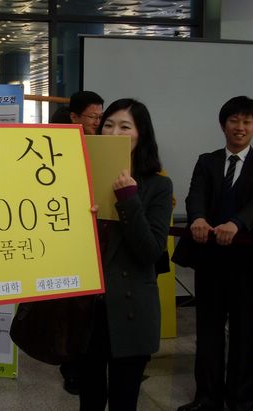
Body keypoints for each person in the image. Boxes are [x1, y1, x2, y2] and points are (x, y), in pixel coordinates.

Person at [174, 96, 253, 411]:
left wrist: (237, 223)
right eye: (234, 120)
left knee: (245, 334)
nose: (240, 127)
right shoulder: (207, 161)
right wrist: (198, 218)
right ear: (223, 125)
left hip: (249, 264)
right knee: (208, 332)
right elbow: (195, 194)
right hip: (211, 261)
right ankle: (206, 398)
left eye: (247, 122)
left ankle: (241, 401)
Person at [77, 98, 173, 410]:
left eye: (125, 126)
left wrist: (128, 199)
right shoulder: (80, 176)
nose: (114, 132)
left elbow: (150, 251)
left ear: (141, 134)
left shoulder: (158, 186)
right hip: (88, 311)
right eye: (108, 124)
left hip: (131, 309)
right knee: (89, 398)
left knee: (124, 399)